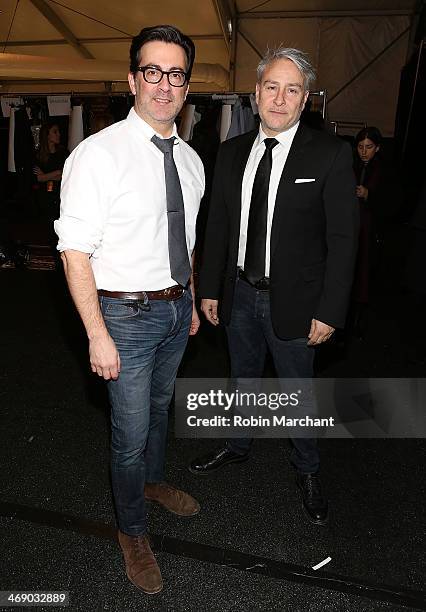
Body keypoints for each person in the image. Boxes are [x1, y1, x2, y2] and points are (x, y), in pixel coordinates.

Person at [55, 25, 205, 595]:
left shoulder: (191, 160)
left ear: (186, 86)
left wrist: (187, 295)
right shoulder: (97, 155)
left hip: (174, 311)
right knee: (130, 431)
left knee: (161, 410)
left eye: (175, 74)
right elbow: (74, 250)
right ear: (131, 79)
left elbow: (184, 237)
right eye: (152, 72)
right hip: (124, 317)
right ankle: (132, 532)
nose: (163, 85)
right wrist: (97, 334)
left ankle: (152, 483)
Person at [189, 46, 359, 525]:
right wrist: (210, 288)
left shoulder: (330, 154)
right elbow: (218, 224)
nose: (280, 99)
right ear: (255, 94)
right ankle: (237, 445)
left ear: (305, 100)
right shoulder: (231, 152)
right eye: (271, 87)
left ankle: (308, 469)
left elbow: (344, 241)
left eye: (292, 90)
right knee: (242, 377)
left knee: (296, 391)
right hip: (239, 293)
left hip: (298, 302)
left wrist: (330, 311)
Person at [351, 126, 383, 336]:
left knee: (364, 268)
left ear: (377, 148)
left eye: (369, 147)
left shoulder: (383, 169)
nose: (364, 151)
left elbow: (393, 201)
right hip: (352, 224)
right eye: (361, 147)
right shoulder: (351, 165)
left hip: (370, 228)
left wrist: (369, 194)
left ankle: (360, 315)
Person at [34, 122, 68, 222]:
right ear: (47, 135)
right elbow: (37, 178)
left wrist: (46, 176)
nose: (59, 134)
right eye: (55, 132)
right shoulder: (38, 155)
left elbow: (66, 174)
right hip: (45, 195)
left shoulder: (63, 153)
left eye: (58, 132)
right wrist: (57, 173)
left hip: (61, 193)